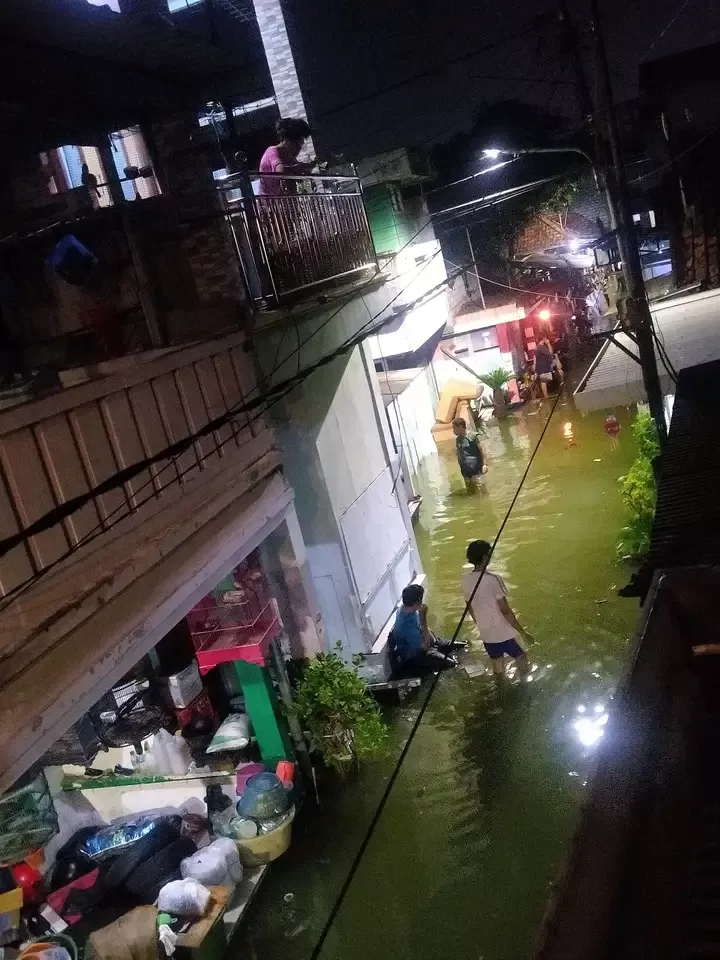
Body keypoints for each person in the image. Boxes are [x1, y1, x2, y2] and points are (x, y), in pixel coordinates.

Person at [462, 540, 532, 677]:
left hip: (486, 632)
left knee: (497, 664)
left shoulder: (465, 580)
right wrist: (523, 632)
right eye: (489, 554)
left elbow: (469, 607)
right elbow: (505, 610)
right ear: (484, 557)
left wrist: (481, 624)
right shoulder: (493, 579)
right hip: (503, 632)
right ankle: (525, 688)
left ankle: (500, 693)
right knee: (521, 657)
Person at [389, 584, 456, 676]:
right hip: (416, 655)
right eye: (421, 599)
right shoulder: (406, 625)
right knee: (451, 663)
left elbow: (426, 634)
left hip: (424, 640)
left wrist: (434, 641)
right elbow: (425, 647)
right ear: (416, 603)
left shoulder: (408, 609)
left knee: (457, 645)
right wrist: (423, 619)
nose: (422, 602)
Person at [258, 118, 313, 196]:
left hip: (284, 204)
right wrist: (300, 167)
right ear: (287, 140)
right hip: (270, 205)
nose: (300, 147)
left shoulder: (290, 157)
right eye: (299, 142)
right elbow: (281, 171)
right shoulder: (273, 152)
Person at [452, 417, 488, 493]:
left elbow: (483, 450)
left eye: (454, 428)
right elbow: (459, 454)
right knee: (470, 492)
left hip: (476, 471)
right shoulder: (458, 439)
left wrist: (484, 464)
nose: (453, 431)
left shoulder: (474, 436)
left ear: (460, 427)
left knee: (481, 491)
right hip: (466, 472)